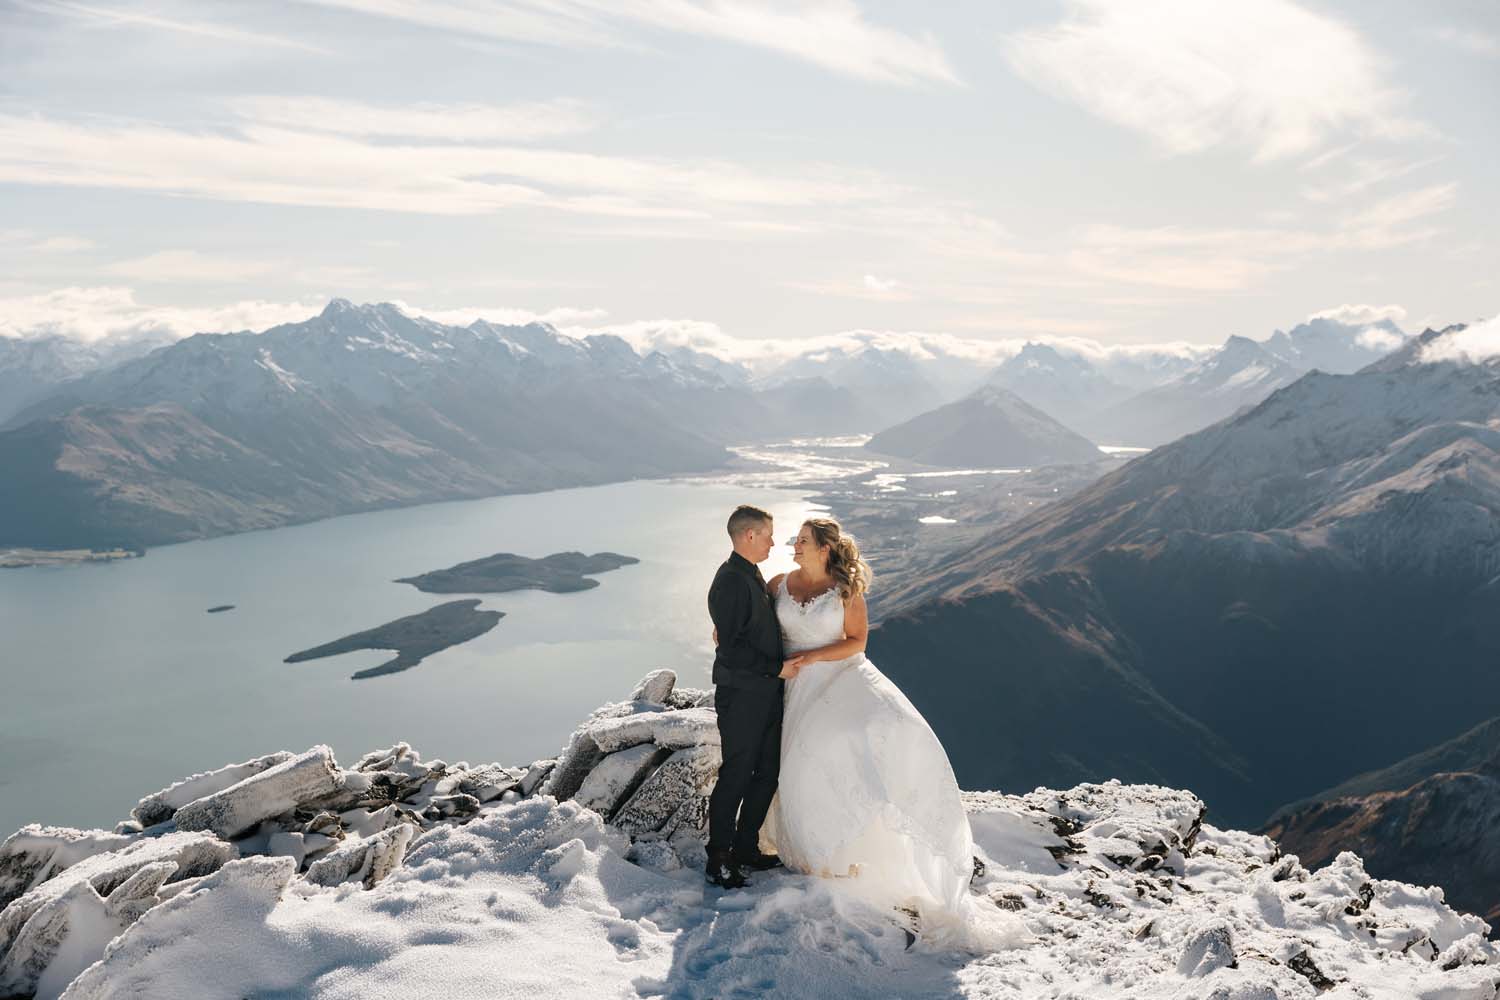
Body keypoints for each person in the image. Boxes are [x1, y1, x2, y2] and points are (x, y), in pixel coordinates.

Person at [759, 517, 999, 944]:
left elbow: (857, 642)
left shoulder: (846, 591)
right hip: (791, 688)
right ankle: (809, 850)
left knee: (832, 761)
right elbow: (751, 619)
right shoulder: (778, 582)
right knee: (796, 765)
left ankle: (832, 851)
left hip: (836, 682)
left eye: (802, 541)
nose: (793, 545)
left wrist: (811, 660)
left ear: (824, 549)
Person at [704, 505, 801, 889]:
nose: (773, 543)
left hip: (765, 695)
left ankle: (746, 847)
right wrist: (776, 669)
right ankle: (719, 858)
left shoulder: (750, 573)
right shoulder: (730, 579)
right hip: (742, 695)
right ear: (748, 535)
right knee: (737, 774)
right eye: (767, 535)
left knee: (767, 774)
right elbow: (730, 649)